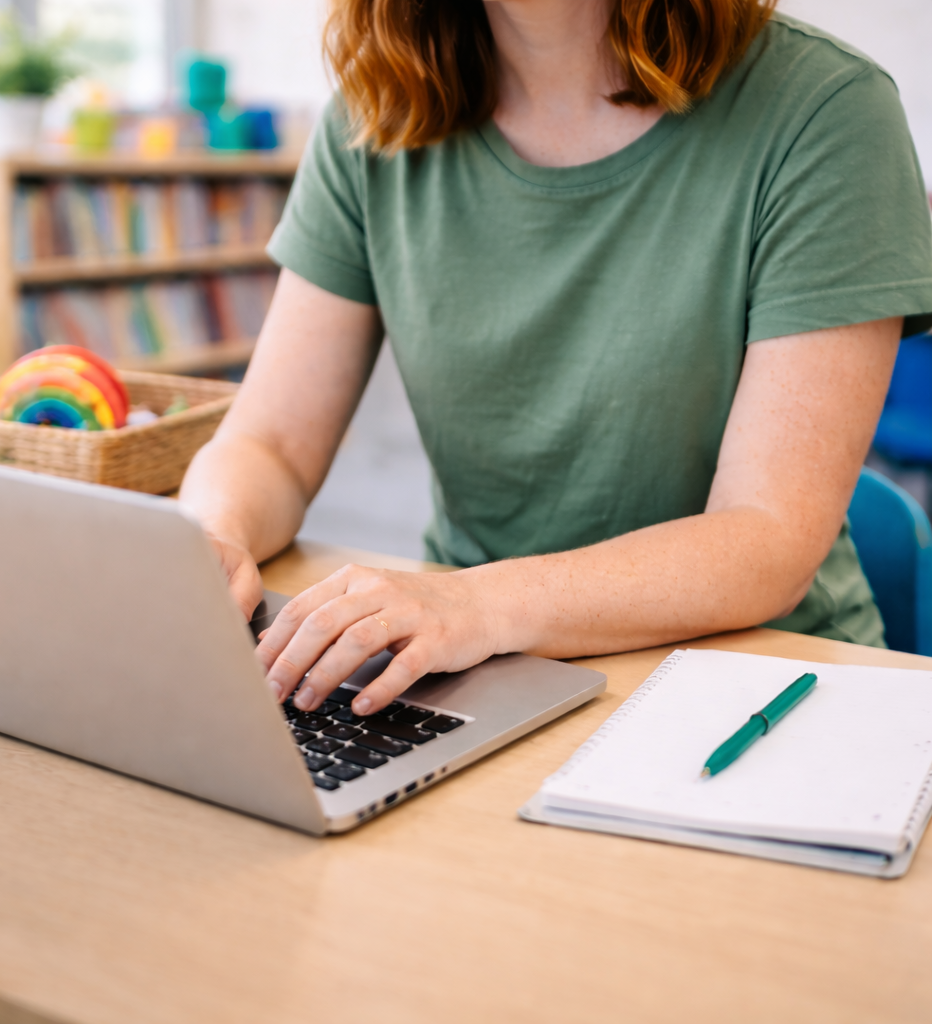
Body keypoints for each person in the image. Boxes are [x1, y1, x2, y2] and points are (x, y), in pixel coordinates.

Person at [180, 0, 932, 719]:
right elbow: (269, 443)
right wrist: (211, 540)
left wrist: (474, 603)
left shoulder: (826, 109)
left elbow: (766, 535)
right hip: (467, 676)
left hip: (761, 689)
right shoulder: (378, 110)